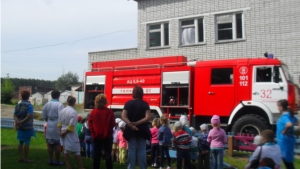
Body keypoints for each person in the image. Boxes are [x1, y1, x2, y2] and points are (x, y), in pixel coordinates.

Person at [121, 85, 151, 169]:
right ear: (142, 93)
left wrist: (131, 125)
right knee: (142, 150)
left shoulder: (128, 103)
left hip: (131, 131)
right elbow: (148, 117)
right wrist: (137, 123)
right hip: (142, 130)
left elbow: (123, 116)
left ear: (133, 93)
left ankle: (130, 167)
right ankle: (143, 167)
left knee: (131, 150)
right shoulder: (145, 104)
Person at [88, 94, 116, 169]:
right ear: (105, 101)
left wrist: (93, 133)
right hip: (107, 135)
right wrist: (109, 131)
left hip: (96, 136)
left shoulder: (93, 112)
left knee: (96, 155)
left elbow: (90, 124)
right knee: (108, 154)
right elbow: (113, 123)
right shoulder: (109, 112)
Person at [58, 96, 85, 169]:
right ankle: (80, 167)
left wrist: (60, 132)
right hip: (70, 133)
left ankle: (68, 165)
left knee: (66, 149)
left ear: (67, 102)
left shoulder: (62, 111)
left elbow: (59, 123)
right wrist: (64, 133)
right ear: (74, 103)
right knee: (77, 150)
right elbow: (71, 125)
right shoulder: (73, 112)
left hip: (63, 131)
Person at [42, 90, 64, 165]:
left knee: (50, 144)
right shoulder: (59, 105)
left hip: (49, 124)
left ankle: (50, 160)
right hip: (57, 124)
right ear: (59, 96)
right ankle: (57, 160)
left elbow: (44, 116)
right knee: (57, 143)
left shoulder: (46, 104)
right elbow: (61, 116)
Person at [14, 90, 36, 163]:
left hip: (20, 126)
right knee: (27, 142)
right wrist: (22, 122)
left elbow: (15, 115)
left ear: (21, 96)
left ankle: (20, 157)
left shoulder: (17, 105)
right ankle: (26, 158)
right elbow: (29, 115)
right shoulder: (29, 105)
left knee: (20, 142)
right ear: (28, 96)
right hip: (27, 126)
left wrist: (18, 122)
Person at [276, 99, 299, 169]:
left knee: (287, 162)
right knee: (287, 162)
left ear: (281, 107)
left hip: (284, 142)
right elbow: (297, 122)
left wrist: (285, 131)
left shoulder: (285, 116)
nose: (277, 108)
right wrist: (292, 131)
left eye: (278, 106)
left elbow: (289, 124)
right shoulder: (290, 115)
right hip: (288, 140)